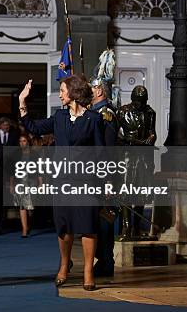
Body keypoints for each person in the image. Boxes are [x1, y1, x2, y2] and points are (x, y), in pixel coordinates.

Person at [19, 74, 104, 291]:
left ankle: (88, 271)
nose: (60, 94)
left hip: (86, 181)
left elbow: (102, 153)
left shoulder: (94, 119)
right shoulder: (59, 117)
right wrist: (22, 102)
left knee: (88, 226)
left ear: (74, 93)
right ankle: (65, 265)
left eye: (63, 91)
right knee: (64, 227)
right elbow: (34, 127)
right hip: (62, 180)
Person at [116, 85, 157, 239]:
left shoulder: (150, 112)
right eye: (138, 101)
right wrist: (128, 139)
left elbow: (153, 132)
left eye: (143, 101)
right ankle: (126, 227)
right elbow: (115, 134)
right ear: (133, 99)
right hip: (127, 156)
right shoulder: (122, 111)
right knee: (126, 191)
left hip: (144, 156)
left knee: (141, 192)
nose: (140, 104)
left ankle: (137, 227)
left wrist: (150, 139)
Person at [90, 78, 118, 277]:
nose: (90, 90)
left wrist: (107, 179)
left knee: (104, 220)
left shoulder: (105, 114)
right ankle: (102, 259)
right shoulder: (94, 113)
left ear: (100, 91)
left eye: (92, 87)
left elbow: (108, 150)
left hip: (105, 175)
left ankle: (106, 261)